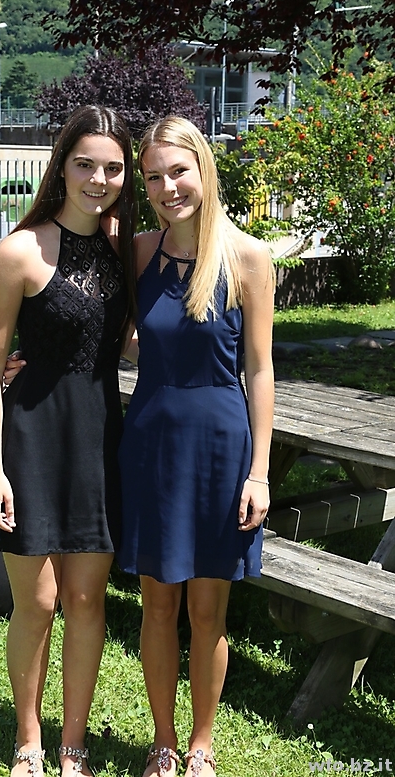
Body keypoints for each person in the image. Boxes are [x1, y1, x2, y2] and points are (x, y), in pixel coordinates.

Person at [0, 105, 135, 777]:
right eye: (85, 164)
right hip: (31, 440)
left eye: (113, 168)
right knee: (37, 602)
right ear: (62, 164)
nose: (99, 179)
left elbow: (127, 338)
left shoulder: (127, 247)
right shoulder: (20, 250)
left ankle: (73, 746)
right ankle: (28, 739)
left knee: (87, 600)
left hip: (99, 438)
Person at [117, 116, 274, 777]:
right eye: (153, 177)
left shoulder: (248, 258)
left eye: (178, 171)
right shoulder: (138, 251)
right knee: (158, 604)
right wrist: (31, 358)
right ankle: (163, 741)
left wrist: (259, 473)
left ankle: (201, 745)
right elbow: (103, 328)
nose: (166, 188)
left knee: (209, 610)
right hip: (152, 446)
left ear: (203, 169)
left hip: (220, 450)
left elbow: (260, 370)